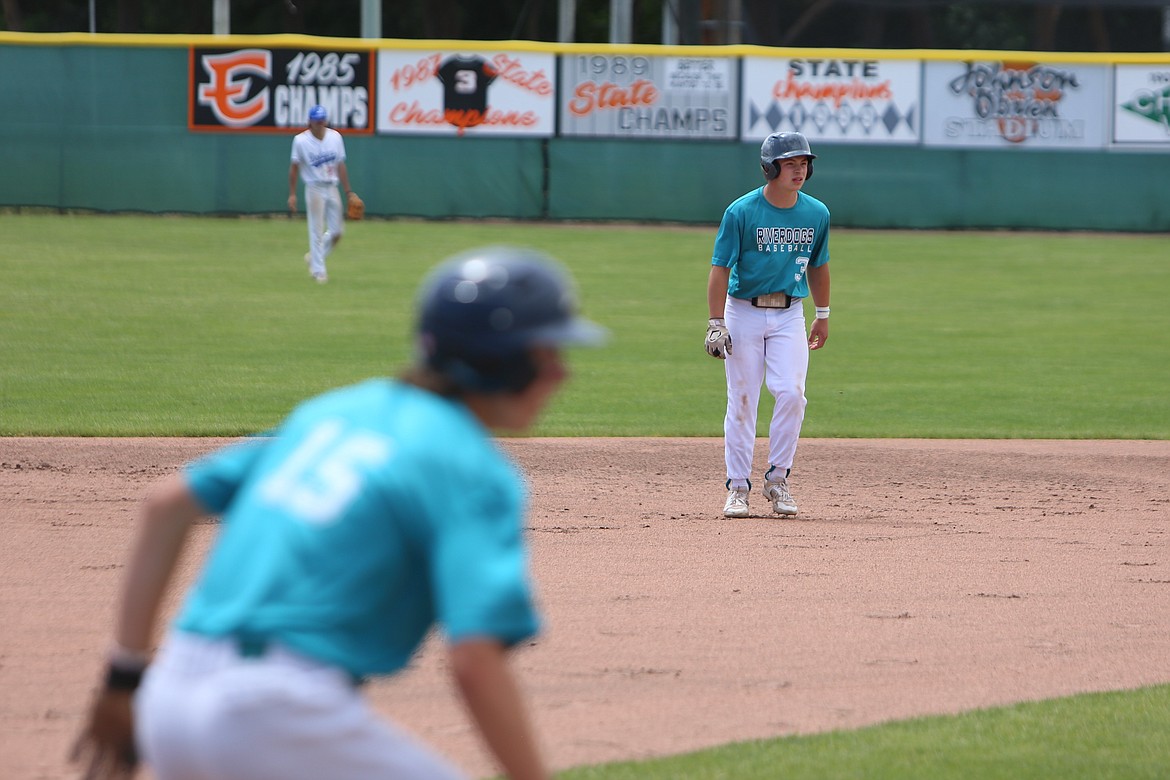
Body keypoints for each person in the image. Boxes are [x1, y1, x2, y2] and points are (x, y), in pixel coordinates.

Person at [71, 246, 608, 780]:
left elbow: (168, 503)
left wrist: (124, 678)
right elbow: (475, 659)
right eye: (545, 355)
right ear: (501, 362)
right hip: (276, 713)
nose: (562, 374)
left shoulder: (336, 411)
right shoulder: (473, 469)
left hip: (169, 700)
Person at [705, 131, 832, 519]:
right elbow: (720, 269)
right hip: (742, 311)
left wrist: (823, 315)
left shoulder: (816, 213)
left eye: (804, 163)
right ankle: (738, 487)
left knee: (792, 393)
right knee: (743, 399)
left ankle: (777, 479)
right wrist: (716, 321)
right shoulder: (741, 212)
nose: (799, 170)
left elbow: (819, 265)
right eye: (790, 163)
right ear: (770, 167)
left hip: (790, 313)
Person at [288, 104, 354, 284]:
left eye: (322, 120)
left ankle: (315, 258)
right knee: (316, 230)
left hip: (332, 187)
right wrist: (292, 194)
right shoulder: (301, 141)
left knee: (338, 232)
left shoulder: (335, 137)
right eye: (317, 121)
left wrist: (348, 192)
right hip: (314, 187)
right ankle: (318, 271)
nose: (320, 124)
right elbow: (294, 168)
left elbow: (341, 164)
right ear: (310, 122)